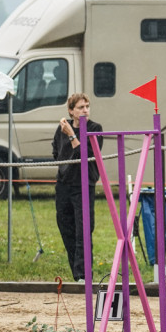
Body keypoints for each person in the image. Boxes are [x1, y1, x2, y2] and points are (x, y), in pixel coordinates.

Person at [54, 93, 103, 282]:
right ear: (71, 111)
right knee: (66, 227)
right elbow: (57, 152)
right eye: (81, 107)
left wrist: (72, 136)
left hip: (84, 184)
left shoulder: (95, 128)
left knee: (83, 229)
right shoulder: (61, 129)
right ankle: (77, 275)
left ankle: (83, 274)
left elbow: (87, 155)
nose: (85, 110)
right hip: (64, 184)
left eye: (87, 106)